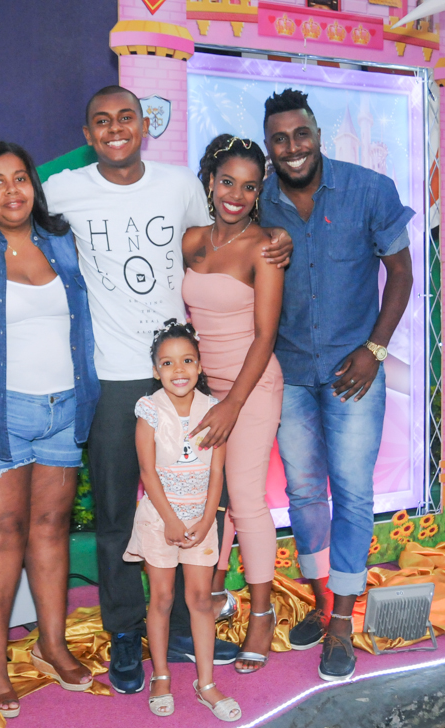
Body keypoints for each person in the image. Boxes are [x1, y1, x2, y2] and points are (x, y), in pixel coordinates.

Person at [0, 86, 292, 695]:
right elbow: (6, 215)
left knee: (195, 505)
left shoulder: (182, 185)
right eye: (102, 121)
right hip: (106, 376)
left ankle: (186, 621)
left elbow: (222, 237)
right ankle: (127, 632)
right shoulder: (64, 191)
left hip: (185, 375)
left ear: (143, 127)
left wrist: (278, 240)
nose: (115, 128)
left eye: (126, 118)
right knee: (113, 517)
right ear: (88, 133)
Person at [0, 141, 100, 718]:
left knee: (51, 529)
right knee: (1, 536)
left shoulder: (62, 243)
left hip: (63, 409)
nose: (13, 191)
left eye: (22, 178)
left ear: (35, 185)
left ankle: (52, 646)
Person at [260, 89, 415, 682]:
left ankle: (343, 623)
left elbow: (399, 272)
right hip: (290, 372)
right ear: (270, 146)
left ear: (317, 134)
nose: (292, 148)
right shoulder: (259, 203)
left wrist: (375, 350)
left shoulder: (369, 189)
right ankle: (324, 603)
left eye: (301, 135)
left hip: (355, 373)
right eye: (280, 139)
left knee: (351, 494)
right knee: (303, 495)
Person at [182, 135, 285, 674]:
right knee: (209, 497)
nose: (236, 196)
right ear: (210, 181)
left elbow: (265, 336)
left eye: (249, 187)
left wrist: (230, 405)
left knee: (245, 498)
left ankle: (262, 614)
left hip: (252, 386)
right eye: (227, 183)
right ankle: (215, 594)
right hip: (204, 390)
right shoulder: (193, 240)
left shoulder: (266, 247)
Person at [125, 321, 239, 722]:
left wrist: (209, 517)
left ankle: (205, 683)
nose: (179, 370)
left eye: (187, 360)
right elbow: (147, 471)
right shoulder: (150, 410)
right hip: (161, 520)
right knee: (161, 598)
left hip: (201, 519)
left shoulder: (214, 409)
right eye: (168, 363)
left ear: (200, 364)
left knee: (199, 601)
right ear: (156, 370)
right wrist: (171, 521)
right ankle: (160, 675)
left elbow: (217, 473)